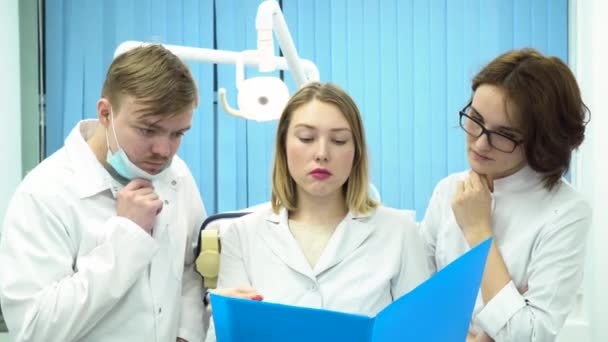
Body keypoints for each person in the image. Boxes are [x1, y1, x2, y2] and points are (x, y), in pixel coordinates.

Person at [0, 45, 207, 342]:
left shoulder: (177, 176)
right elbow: (35, 329)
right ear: (106, 113)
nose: (164, 151)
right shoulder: (45, 193)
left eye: (177, 134)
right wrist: (126, 238)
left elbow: (191, 271)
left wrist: (186, 335)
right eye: (148, 130)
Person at [204, 82, 431, 341]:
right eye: (307, 138)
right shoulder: (242, 236)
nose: (322, 153)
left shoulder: (399, 232)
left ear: (355, 152)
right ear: (283, 145)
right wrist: (226, 321)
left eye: (339, 140)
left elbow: (422, 334)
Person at [419, 48, 591, 341]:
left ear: (542, 141)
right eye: (475, 118)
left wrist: (479, 231)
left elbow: (528, 335)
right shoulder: (447, 190)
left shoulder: (566, 211)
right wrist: (506, 309)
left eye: (505, 135)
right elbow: (414, 304)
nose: (480, 143)